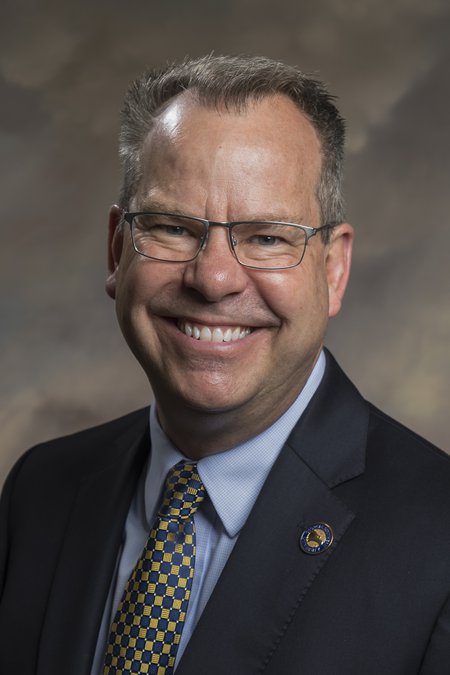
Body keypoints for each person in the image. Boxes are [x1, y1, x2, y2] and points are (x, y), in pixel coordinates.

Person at [0, 54, 449, 675]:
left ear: (333, 269)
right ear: (116, 249)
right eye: (172, 228)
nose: (213, 279)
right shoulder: (40, 491)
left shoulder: (438, 538)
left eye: (267, 237)